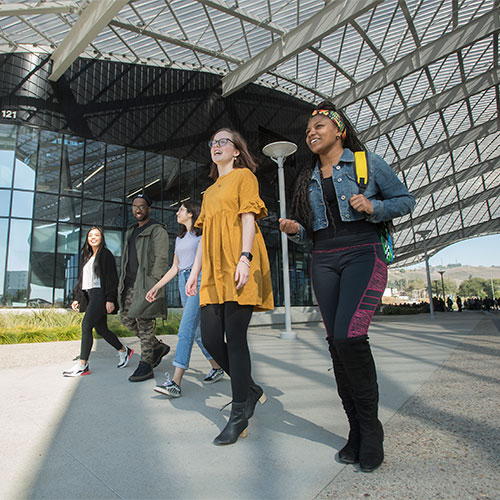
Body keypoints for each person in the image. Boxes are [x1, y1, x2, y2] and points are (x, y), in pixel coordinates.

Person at [279, 101, 415, 472]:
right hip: (323, 257)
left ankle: (371, 430)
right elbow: (314, 233)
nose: (311, 132)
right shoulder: (306, 176)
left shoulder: (364, 162)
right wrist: (297, 231)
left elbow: (406, 200)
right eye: (308, 129)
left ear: (339, 130)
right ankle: (355, 430)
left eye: (319, 125)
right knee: (337, 344)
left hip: (363, 254)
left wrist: (373, 207)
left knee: (351, 337)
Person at [186, 128, 273, 446]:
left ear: (237, 150)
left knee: (235, 339)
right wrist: (194, 273)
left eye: (223, 142)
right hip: (211, 271)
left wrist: (245, 259)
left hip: (238, 263)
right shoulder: (208, 193)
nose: (216, 146)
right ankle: (249, 388)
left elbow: (249, 218)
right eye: (212, 143)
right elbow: (204, 238)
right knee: (210, 338)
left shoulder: (244, 177)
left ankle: (239, 413)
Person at [145, 200, 224, 398]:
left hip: (199, 280)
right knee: (197, 331)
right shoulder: (180, 239)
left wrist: (197, 277)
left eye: (180, 209)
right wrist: (156, 286)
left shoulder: (203, 235)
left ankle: (175, 382)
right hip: (183, 280)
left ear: (191, 213)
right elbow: (175, 268)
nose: (177, 212)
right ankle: (217, 366)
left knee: (185, 329)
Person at [63, 227, 134, 377]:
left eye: (96, 235)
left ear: (101, 238)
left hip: (100, 294)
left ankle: (83, 364)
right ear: (87, 239)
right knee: (101, 329)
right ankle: (124, 350)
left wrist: (110, 299)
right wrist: (77, 297)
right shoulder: (87, 255)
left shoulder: (105, 254)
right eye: (90, 235)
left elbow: (111, 278)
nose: (93, 237)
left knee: (86, 325)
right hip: (90, 295)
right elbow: (82, 280)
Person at [118, 193, 170, 382]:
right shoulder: (131, 230)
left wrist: (154, 283)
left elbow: (162, 258)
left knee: (145, 323)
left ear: (149, 209)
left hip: (146, 284)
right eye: (135, 206)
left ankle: (146, 364)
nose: (138, 209)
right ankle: (156, 346)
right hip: (130, 283)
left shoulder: (157, 230)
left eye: (142, 206)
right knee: (126, 319)